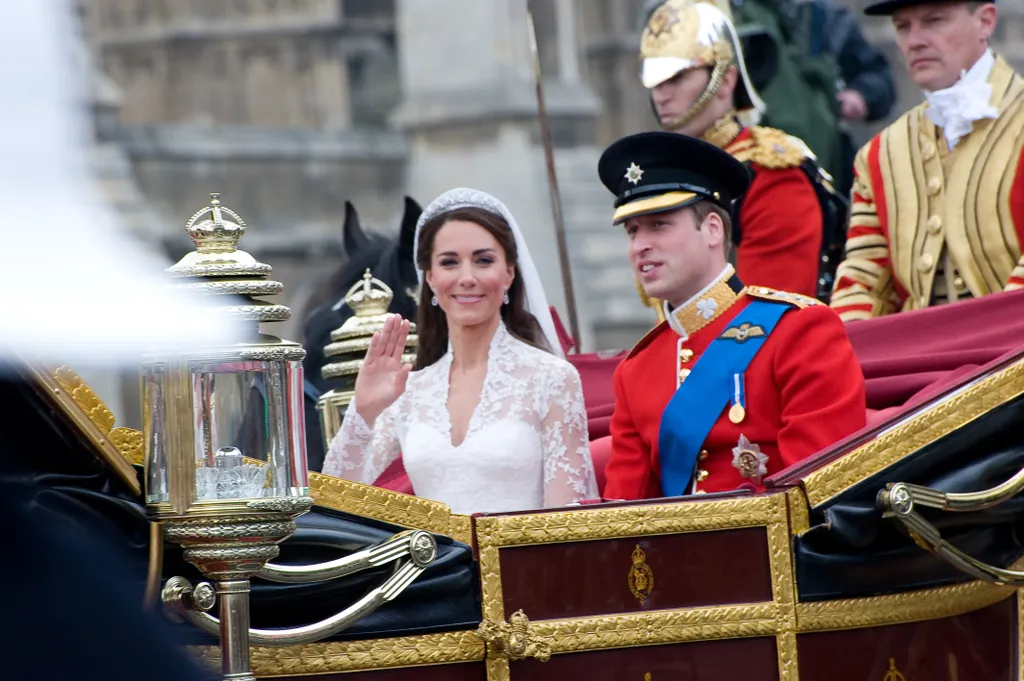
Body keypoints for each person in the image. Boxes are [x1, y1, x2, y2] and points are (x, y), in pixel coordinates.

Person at [599, 132, 865, 500]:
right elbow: (625, 515)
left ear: (712, 229)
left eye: (659, 225)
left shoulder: (800, 329)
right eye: (632, 231)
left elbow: (821, 492)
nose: (640, 245)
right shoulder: (635, 370)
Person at [322, 188, 598, 514]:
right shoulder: (409, 391)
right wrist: (364, 410)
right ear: (431, 278)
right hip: (432, 565)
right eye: (450, 262)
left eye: (483, 261)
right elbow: (336, 500)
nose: (467, 278)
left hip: (523, 563)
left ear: (509, 273)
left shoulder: (552, 378)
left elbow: (566, 524)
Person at [638, 0, 845, 303]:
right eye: (655, 81)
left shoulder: (772, 174)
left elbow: (768, 317)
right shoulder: (667, 174)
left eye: (677, 78)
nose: (661, 95)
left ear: (725, 81)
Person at [830, 0, 1024, 321]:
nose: (914, 40)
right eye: (903, 26)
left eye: (934, 21)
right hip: (917, 362)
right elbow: (863, 282)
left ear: (986, 21)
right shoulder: (880, 153)